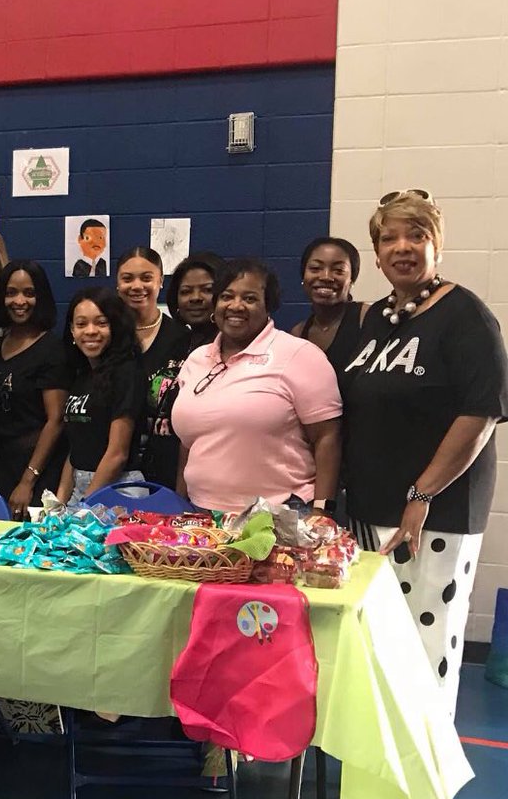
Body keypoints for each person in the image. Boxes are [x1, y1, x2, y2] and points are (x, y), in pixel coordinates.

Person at [343, 189, 508, 717]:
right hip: (370, 511)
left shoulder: (466, 316)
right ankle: (380, 754)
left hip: (434, 515)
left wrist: (421, 495)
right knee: (379, 642)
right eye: (389, 238)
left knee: (424, 646)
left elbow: (480, 414)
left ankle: (423, 758)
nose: (402, 247)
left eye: (416, 235)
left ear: (437, 244)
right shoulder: (377, 318)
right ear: (376, 254)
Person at [172, 259, 341, 514]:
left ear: (268, 306)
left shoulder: (299, 355)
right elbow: (189, 443)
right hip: (201, 514)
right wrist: (179, 505)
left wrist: (322, 511)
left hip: (280, 514)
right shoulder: (196, 360)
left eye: (249, 299)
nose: (236, 306)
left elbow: (327, 437)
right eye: (226, 296)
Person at [0, 259, 69, 516]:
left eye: (29, 293)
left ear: (40, 297)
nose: (19, 301)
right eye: (11, 292)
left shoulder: (51, 349)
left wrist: (27, 480)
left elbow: (56, 420)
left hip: (37, 471)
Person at [56, 288, 144, 506]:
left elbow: (117, 454)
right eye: (81, 324)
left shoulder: (126, 372)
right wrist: (59, 503)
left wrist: (84, 506)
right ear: (72, 330)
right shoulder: (82, 376)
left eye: (101, 323)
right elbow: (77, 449)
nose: (90, 331)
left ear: (115, 326)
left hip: (118, 488)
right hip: (82, 488)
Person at [116, 246, 189, 490]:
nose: (137, 286)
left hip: (168, 468)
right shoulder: (106, 338)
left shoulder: (183, 338)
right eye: (127, 278)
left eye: (146, 278)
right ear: (117, 284)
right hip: (117, 471)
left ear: (160, 281)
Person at [290, 236, 366, 379]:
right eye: (315, 268)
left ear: (352, 280)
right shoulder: (298, 334)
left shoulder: (367, 318)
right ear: (303, 276)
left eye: (338, 270)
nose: (326, 277)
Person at [168, 251, 223, 353]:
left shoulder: (231, 346)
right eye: (186, 291)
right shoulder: (172, 344)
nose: (195, 298)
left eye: (207, 290)